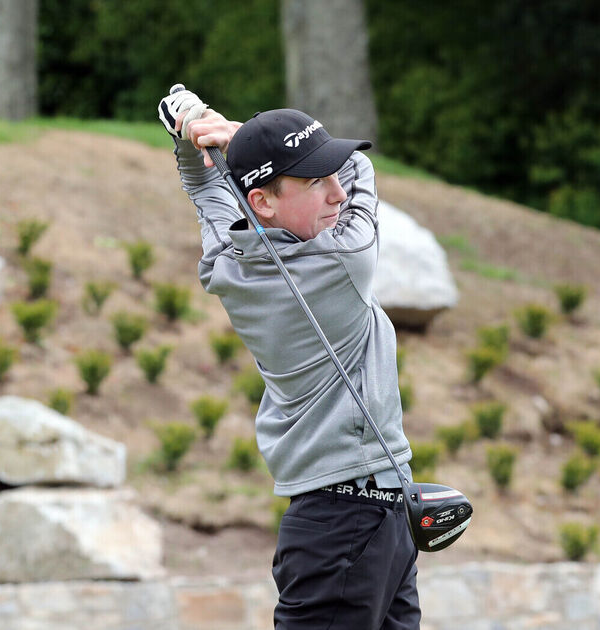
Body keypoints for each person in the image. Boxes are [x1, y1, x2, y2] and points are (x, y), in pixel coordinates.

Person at [159, 87, 420, 629]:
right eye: (314, 181)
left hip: (370, 518)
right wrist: (232, 135)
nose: (336, 194)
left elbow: (203, 185)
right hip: (346, 523)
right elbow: (362, 171)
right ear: (261, 202)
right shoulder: (345, 258)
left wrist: (192, 133)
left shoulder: (228, 262)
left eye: (329, 176)